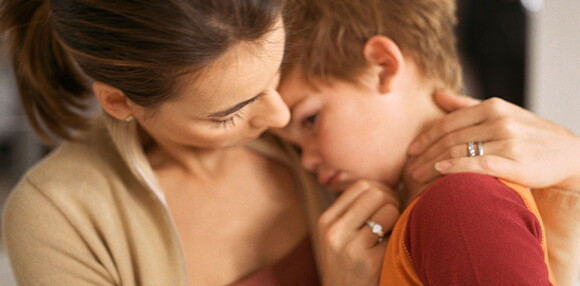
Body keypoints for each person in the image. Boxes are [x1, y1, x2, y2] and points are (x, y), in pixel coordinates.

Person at [1, 1, 334, 285]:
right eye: (229, 113)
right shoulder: (61, 217)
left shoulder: (328, 94)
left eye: (276, 71)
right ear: (119, 102)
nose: (280, 117)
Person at [277, 0, 580, 285]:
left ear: (382, 65)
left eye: (310, 120)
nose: (307, 160)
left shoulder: (461, 204)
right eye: (295, 147)